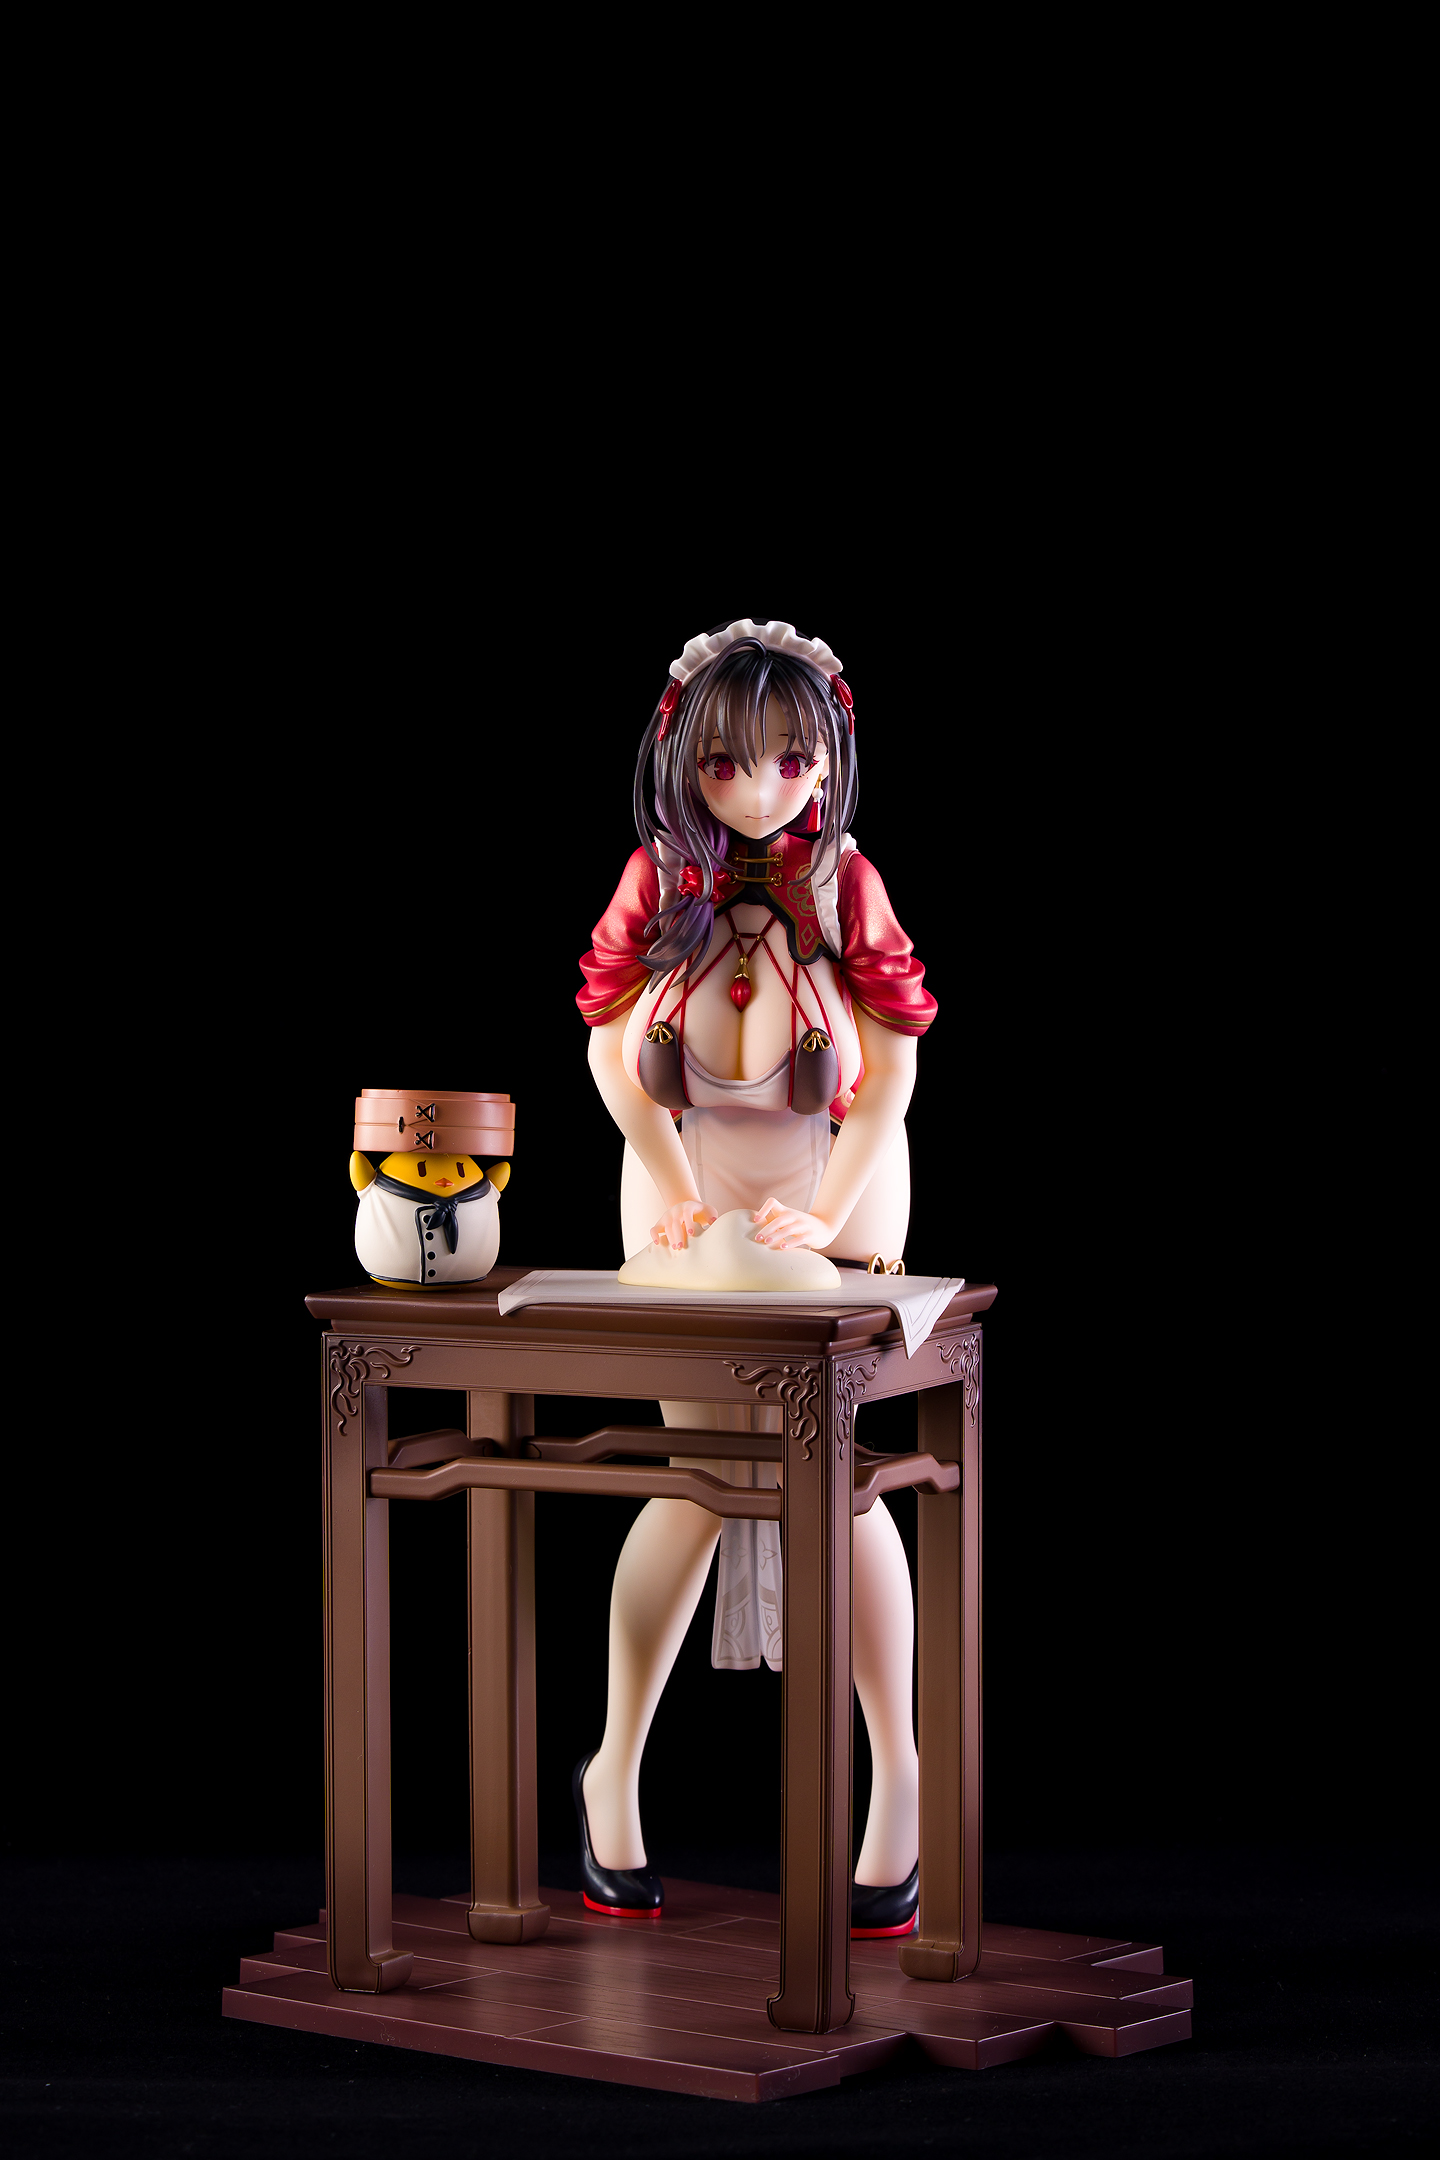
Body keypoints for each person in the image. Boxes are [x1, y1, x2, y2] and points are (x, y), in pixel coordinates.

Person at [575, 618, 937, 1936]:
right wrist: (670, 1182)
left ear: (827, 761)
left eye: (790, 759)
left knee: (842, 1473)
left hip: (833, 1183)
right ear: (686, 761)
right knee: (695, 1474)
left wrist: (830, 1218)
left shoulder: (846, 887)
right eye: (729, 763)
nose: (761, 788)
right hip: (683, 1183)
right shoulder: (656, 882)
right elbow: (612, 1054)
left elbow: (892, 1075)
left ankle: (898, 1774)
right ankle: (613, 1769)